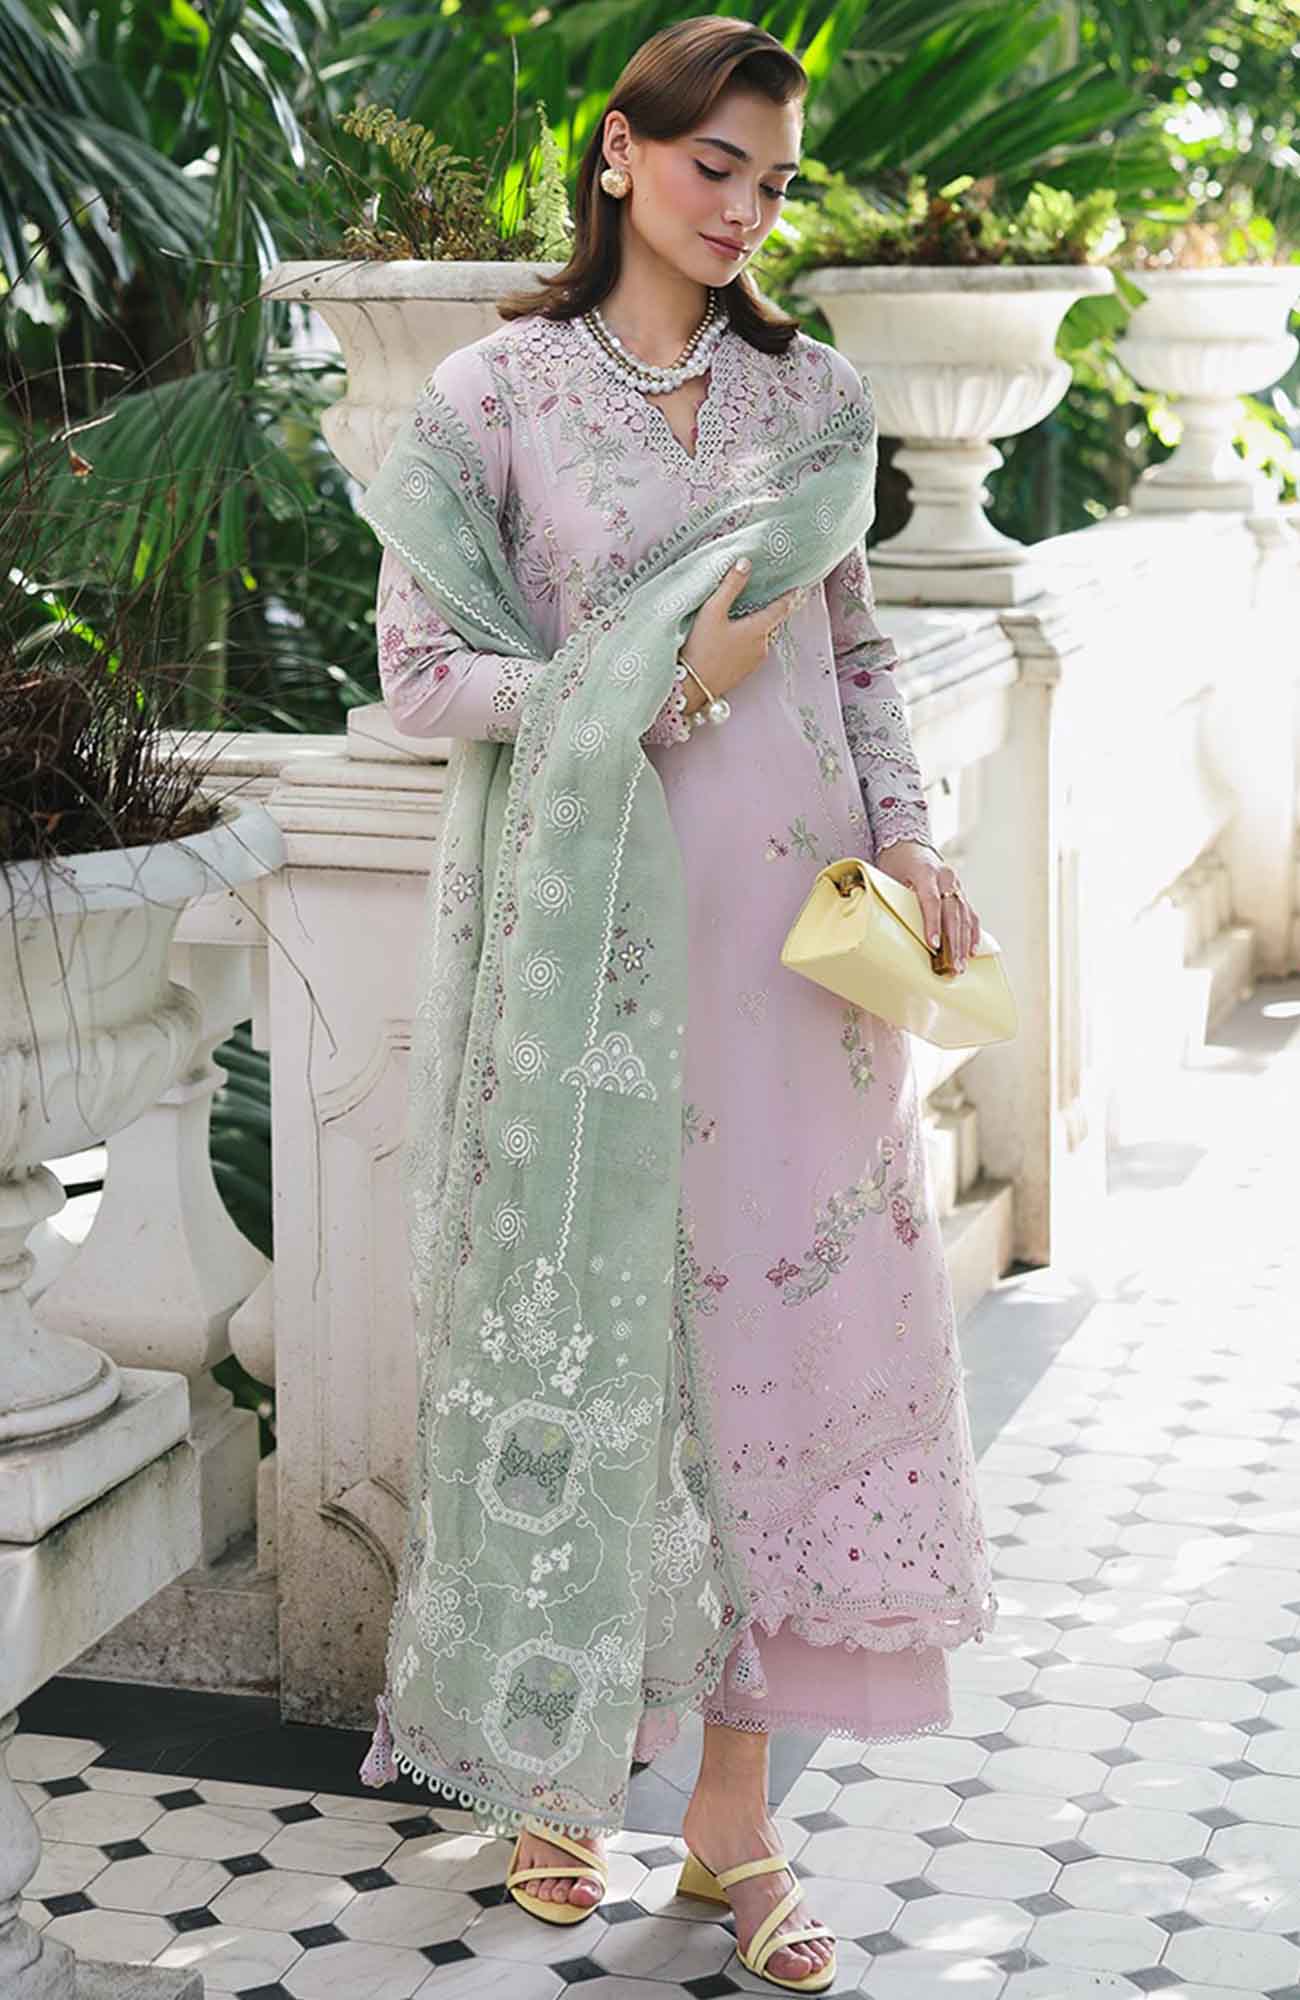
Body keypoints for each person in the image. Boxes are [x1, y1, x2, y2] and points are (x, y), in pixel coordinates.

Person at [360, 17, 997, 1991]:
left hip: (794, 966)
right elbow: (420, 675)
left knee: (777, 1368)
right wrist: (655, 684)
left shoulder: (811, 400)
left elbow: (859, 654)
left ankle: (736, 1821)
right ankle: (562, 1776)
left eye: (772, 182)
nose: (743, 209)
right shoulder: (492, 397)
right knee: (598, 1348)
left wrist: (913, 840)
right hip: (595, 966)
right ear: (619, 154)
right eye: (714, 164)